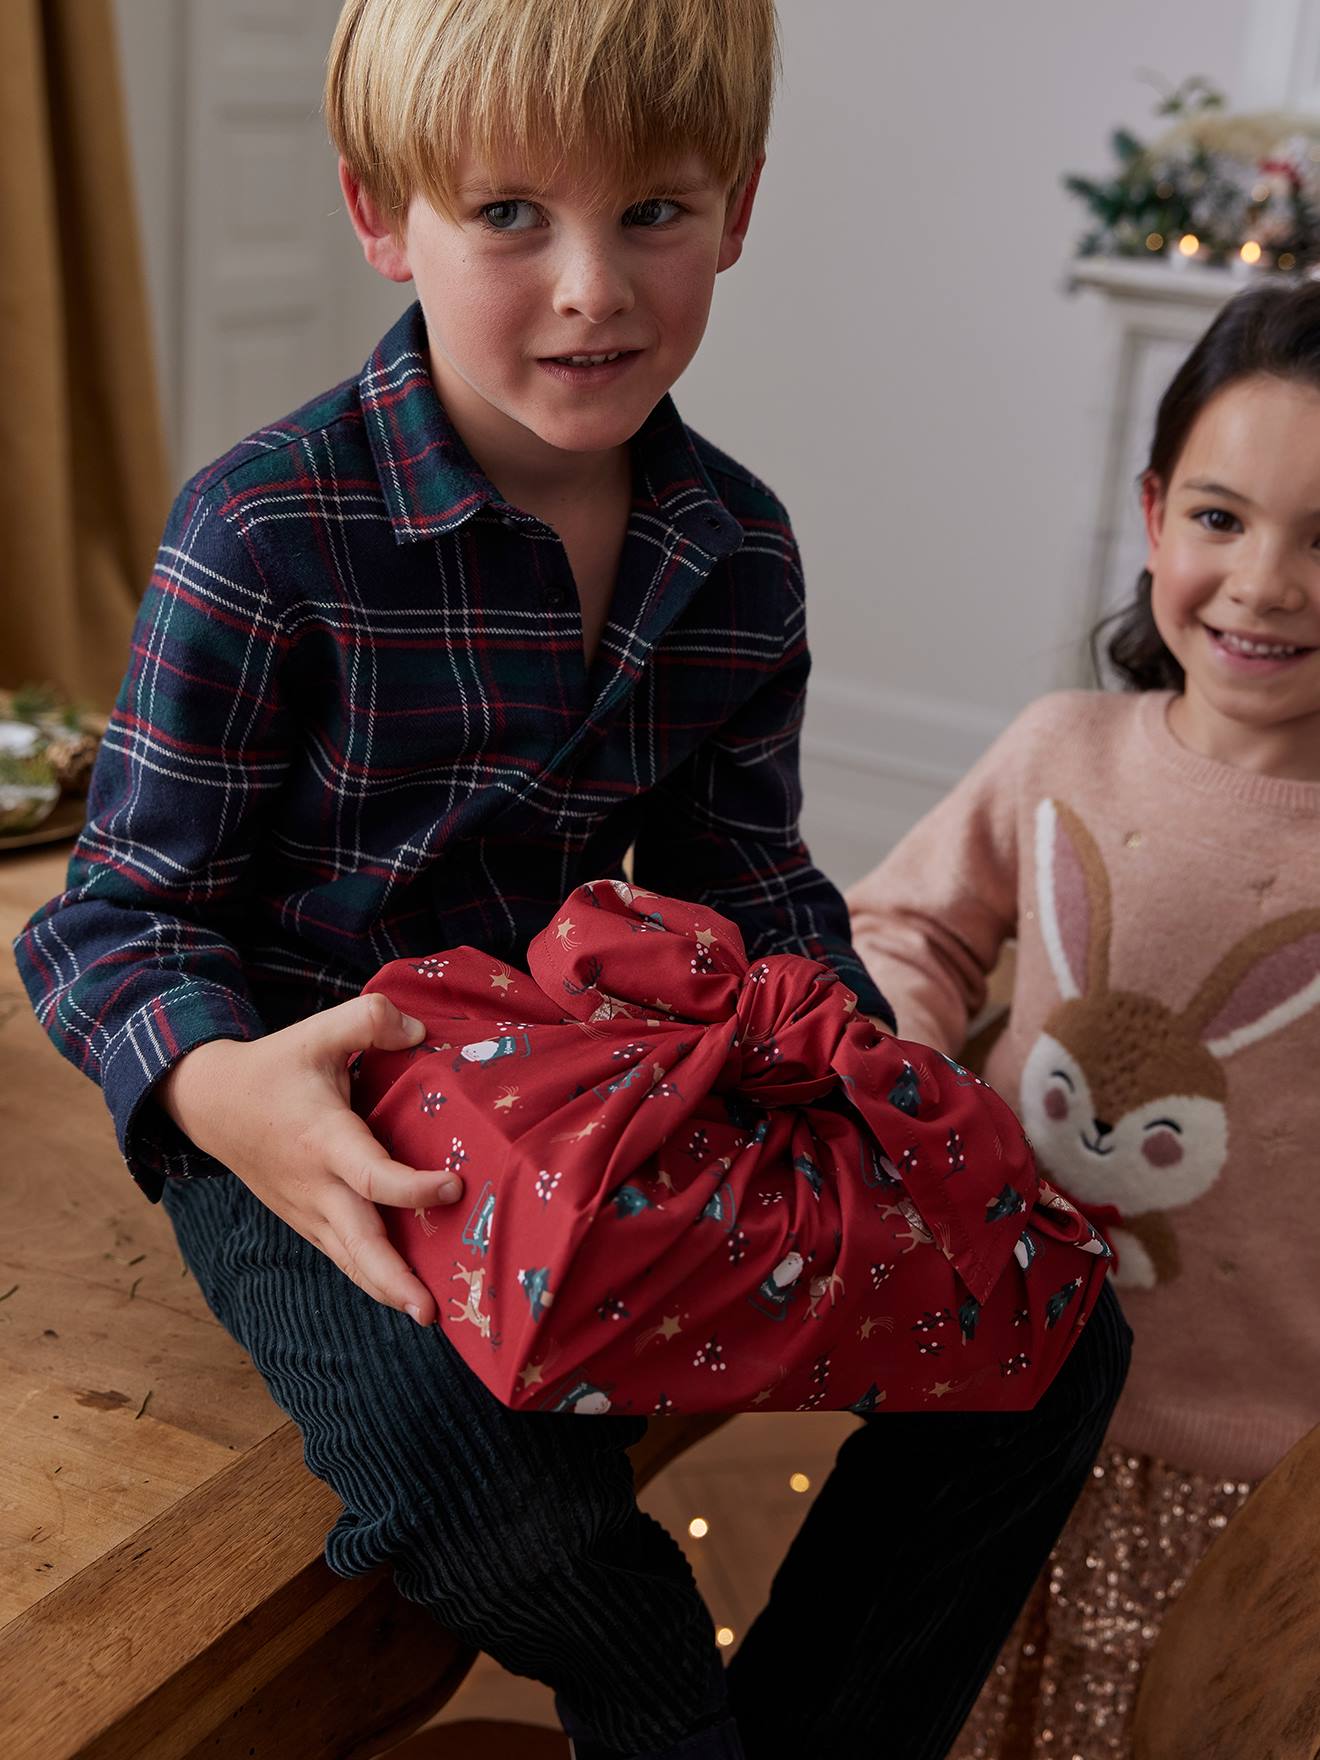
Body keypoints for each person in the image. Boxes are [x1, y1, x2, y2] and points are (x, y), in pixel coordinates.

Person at [14, 4, 1128, 1754]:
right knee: (495, 1481)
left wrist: (882, 1098)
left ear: (739, 208)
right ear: (385, 215)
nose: (594, 287)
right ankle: (673, 1723)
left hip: (584, 1083)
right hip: (316, 1108)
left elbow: (745, 874)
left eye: (655, 216)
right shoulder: (265, 531)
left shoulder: (734, 545)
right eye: (512, 215)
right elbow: (114, 914)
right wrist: (222, 1088)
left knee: (1056, 1327)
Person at [847, 276, 1320, 1757]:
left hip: (1252, 1456)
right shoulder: (1062, 749)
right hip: (995, 1387)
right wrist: (906, 1059)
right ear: (1155, 510)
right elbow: (902, 927)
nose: (1266, 583)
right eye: (1223, 520)